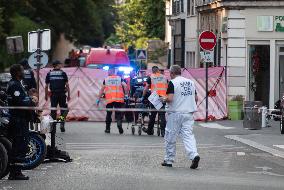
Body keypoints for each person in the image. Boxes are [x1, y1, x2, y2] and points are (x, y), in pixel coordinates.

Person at [161, 65, 200, 169]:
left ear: (172, 73)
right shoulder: (190, 82)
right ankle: (194, 155)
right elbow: (196, 98)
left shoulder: (172, 82)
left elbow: (170, 98)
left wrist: (163, 99)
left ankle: (169, 160)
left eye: (170, 73)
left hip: (175, 113)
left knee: (170, 136)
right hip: (188, 113)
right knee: (188, 136)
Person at [6, 64, 38, 180]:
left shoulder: (18, 84)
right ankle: (15, 173)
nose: (24, 72)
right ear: (17, 73)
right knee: (19, 145)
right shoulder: (14, 85)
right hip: (18, 120)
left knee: (20, 145)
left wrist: (29, 99)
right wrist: (32, 99)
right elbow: (20, 101)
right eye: (22, 70)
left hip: (21, 119)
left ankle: (15, 171)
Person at [97, 68, 127, 134]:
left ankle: (107, 129)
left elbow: (102, 90)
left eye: (108, 71)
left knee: (109, 114)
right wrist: (126, 94)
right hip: (118, 99)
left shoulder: (106, 79)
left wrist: (98, 99)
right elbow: (125, 85)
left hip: (110, 100)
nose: (107, 72)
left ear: (110, 71)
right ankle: (119, 123)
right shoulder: (119, 78)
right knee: (118, 113)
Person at [45, 60, 70, 132]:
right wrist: (69, 95)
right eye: (60, 64)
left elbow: (46, 86)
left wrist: (46, 95)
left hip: (53, 95)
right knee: (64, 110)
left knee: (53, 110)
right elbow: (67, 85)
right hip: (62, 94)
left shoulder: (49, 74)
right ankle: (61, 122)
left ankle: (53, 126)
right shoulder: (63, 73)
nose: (61, 65)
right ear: (57, 65)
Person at [142, 66, 167, 137]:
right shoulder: (164, 77)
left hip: (155, 98)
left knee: (152, 115)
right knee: (162, 115)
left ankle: (149, 131)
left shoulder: (151, 77)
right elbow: (167, 87)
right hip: (163, 97)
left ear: (152, 71)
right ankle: (163, 132)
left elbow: (146, 88)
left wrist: (143, 96)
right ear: (158, 70)